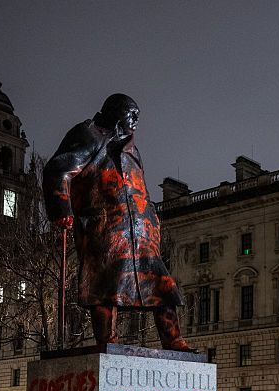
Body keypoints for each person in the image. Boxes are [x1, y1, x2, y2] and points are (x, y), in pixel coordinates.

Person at [43, 94, 190, 351]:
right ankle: (107, 341)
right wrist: (61, 208)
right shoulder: (88, 135)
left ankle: (173, 339)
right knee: (104, 287)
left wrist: (152, 220)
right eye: (131, 113)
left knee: (162, 286)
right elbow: (59, 169)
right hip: (104, 226)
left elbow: (140, 188)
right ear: (115, 112)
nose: (135, 120)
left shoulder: (133, 150)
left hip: (140, 233)